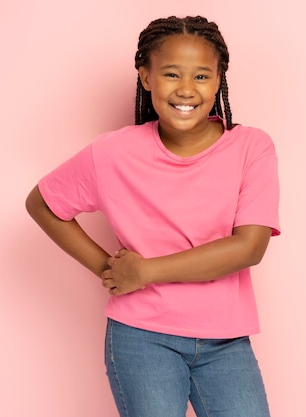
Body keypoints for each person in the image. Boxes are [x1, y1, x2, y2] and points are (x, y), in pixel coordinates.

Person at [26, 15, 280, 417]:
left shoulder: (251, 147)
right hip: (142, 339)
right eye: (171, 74)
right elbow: (42, 203)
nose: (185, 89)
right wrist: (110, 270)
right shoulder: (113, 153)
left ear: (218, 80)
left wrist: (145, 272)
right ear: (146, 77)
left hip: (226, 342)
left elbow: (249, 247)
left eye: (200, 76)